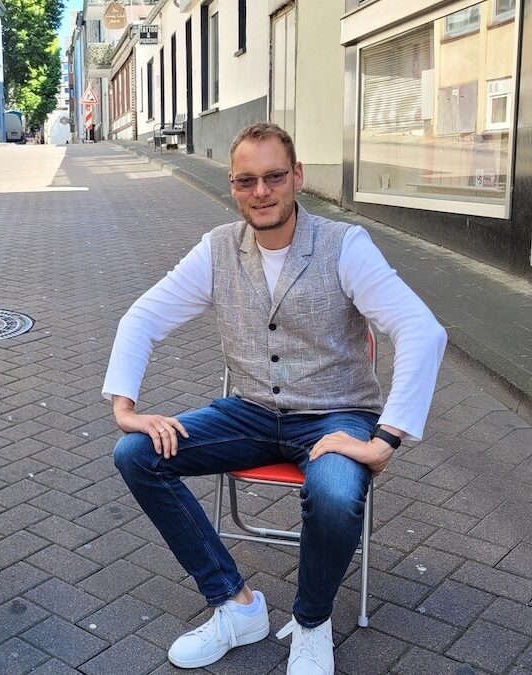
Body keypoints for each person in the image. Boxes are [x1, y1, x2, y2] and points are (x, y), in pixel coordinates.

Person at [104, 123, 446, 674]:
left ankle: (311, 623)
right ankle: (236, 606)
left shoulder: (343, 246)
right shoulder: (217, 249)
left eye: (273, 177)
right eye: (246, 180)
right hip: (251, 413)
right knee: (136, 455)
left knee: (335, 495)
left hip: (336, 414)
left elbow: (421, 331)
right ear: (233, 185)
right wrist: (125, 409)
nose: (260, 191)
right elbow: (143, 316)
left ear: (297, 178)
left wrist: (385, 439)